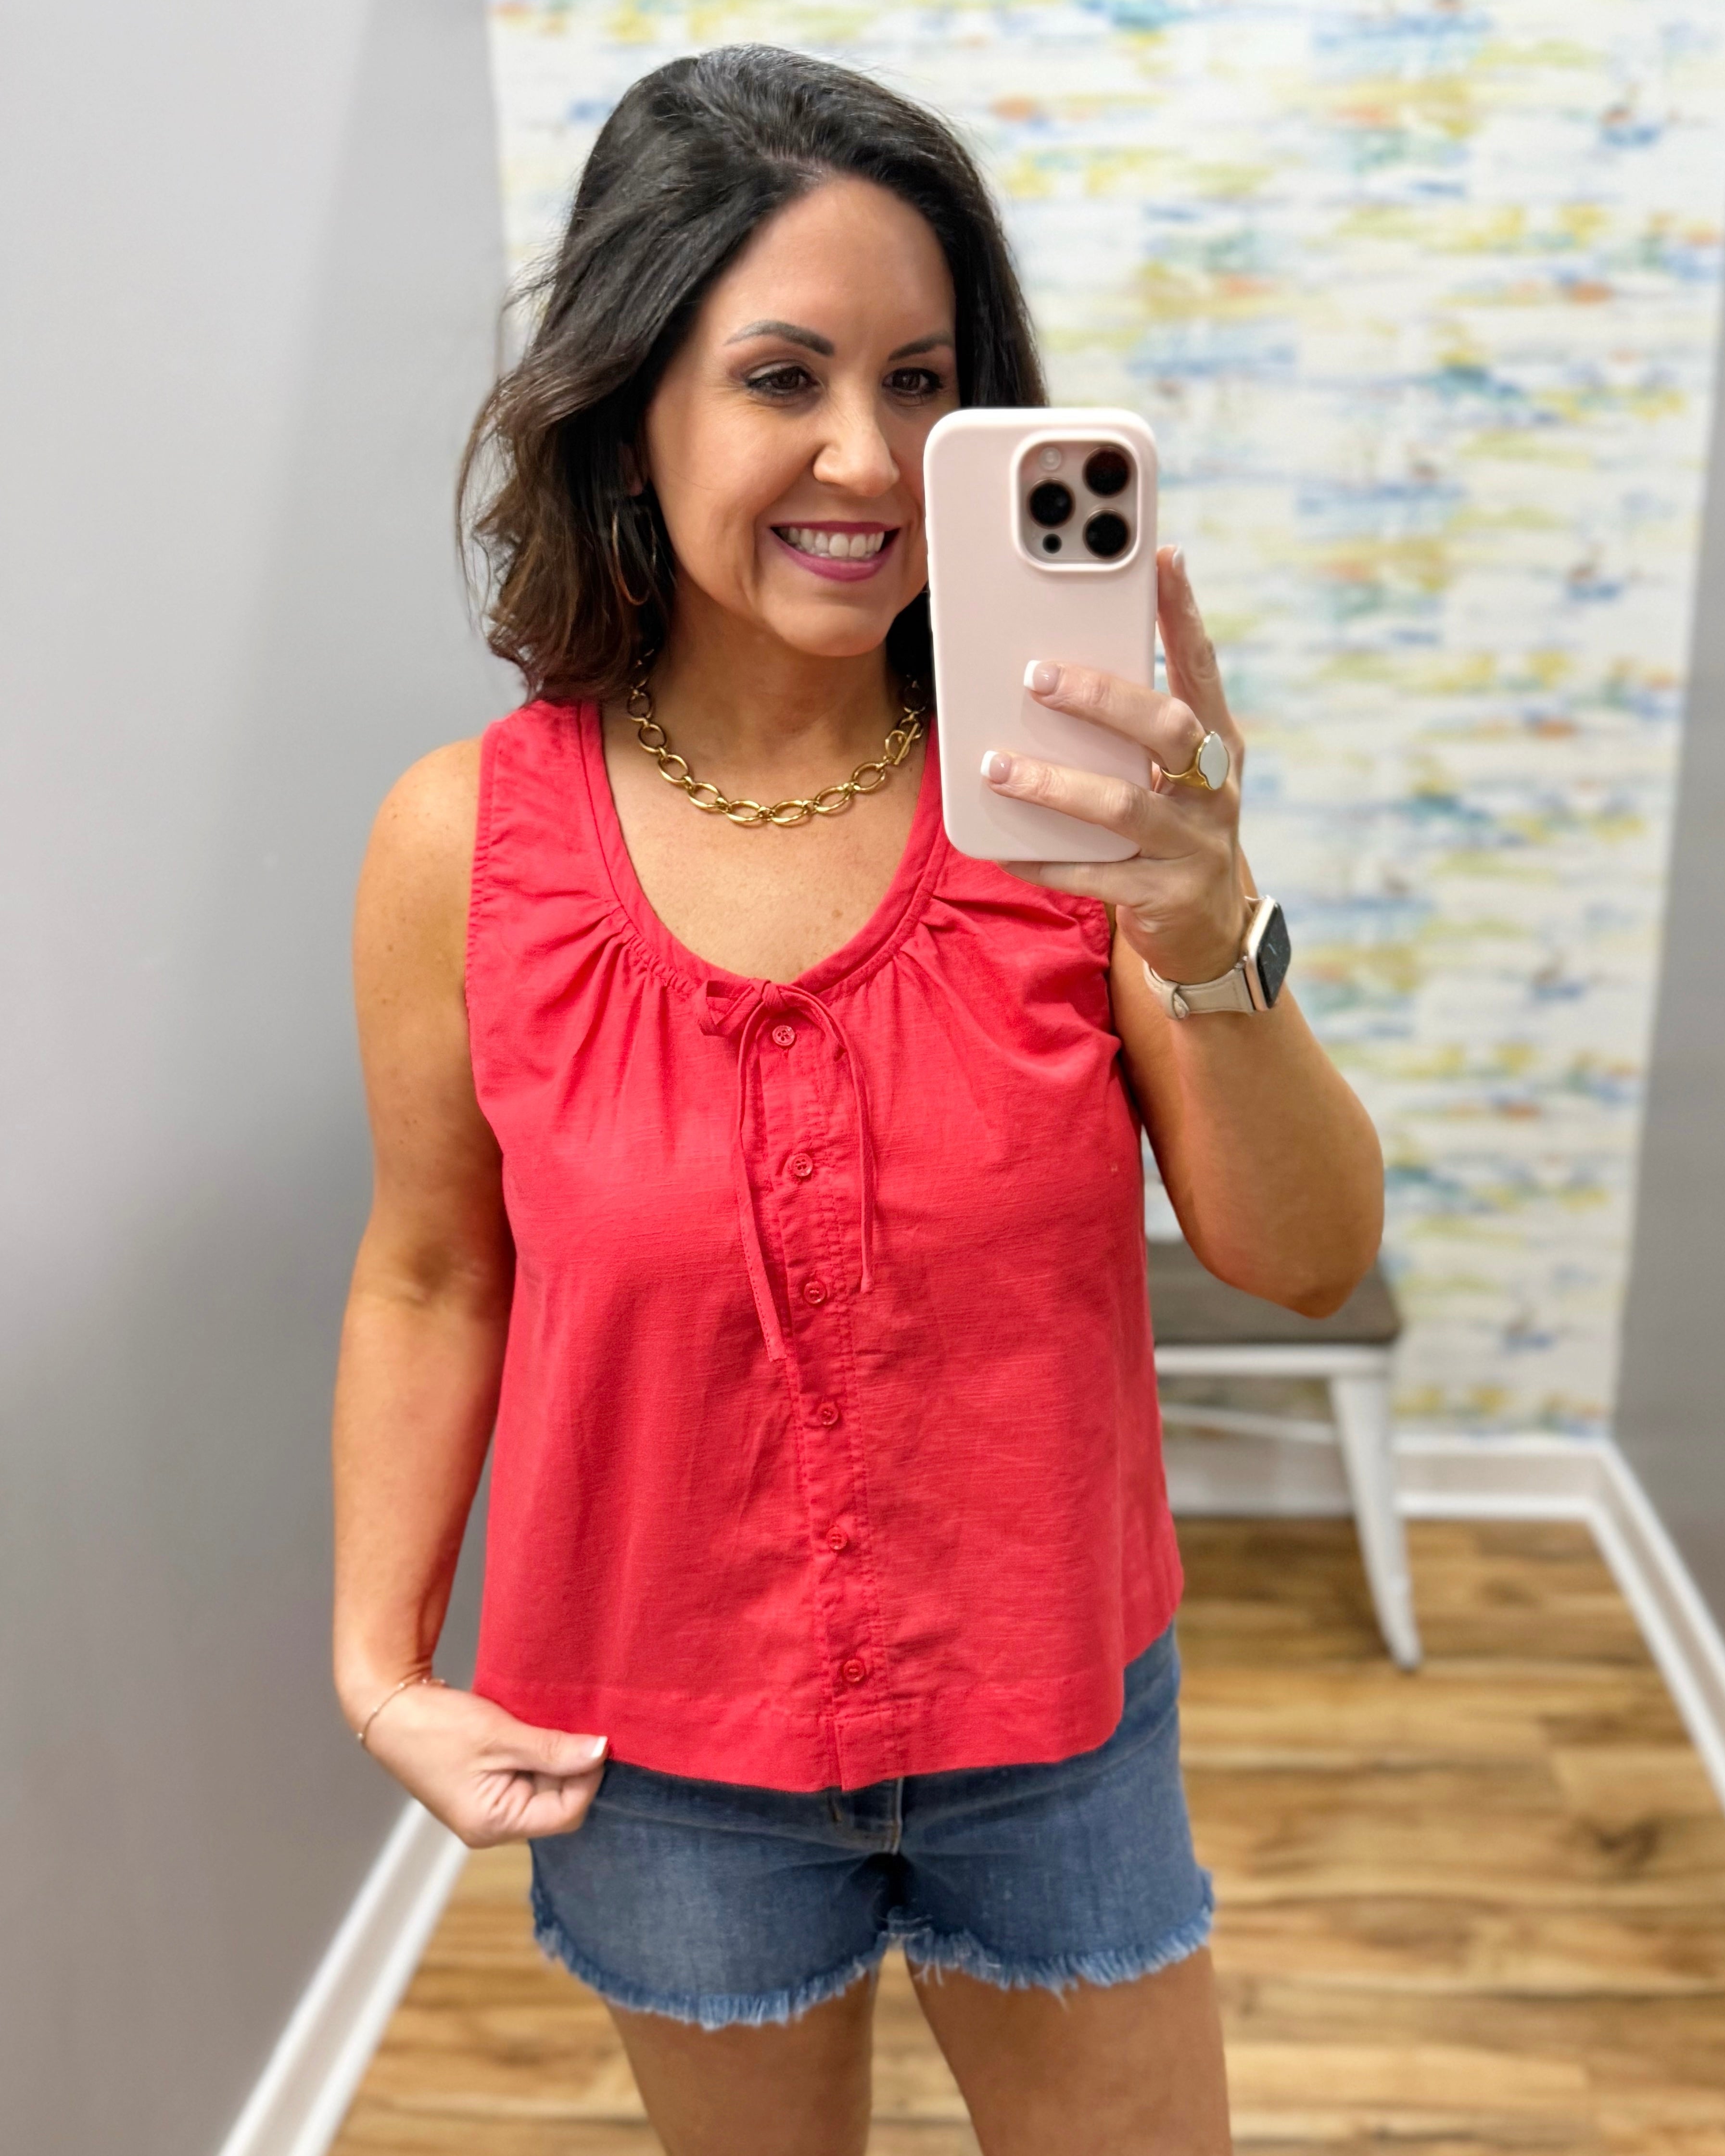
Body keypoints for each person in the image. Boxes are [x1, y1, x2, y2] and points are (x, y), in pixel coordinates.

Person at [331, 44, 1383, 2156]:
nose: (869, 455)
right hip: (657, 1744)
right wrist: (379, 1663)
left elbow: (1304, 1251)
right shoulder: (465, 840)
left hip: (1052, 1726)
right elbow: (440, 1269)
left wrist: (1208, 907)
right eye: (782, 375)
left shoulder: (1070, 816)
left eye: (924, 382)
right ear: (634, 398)